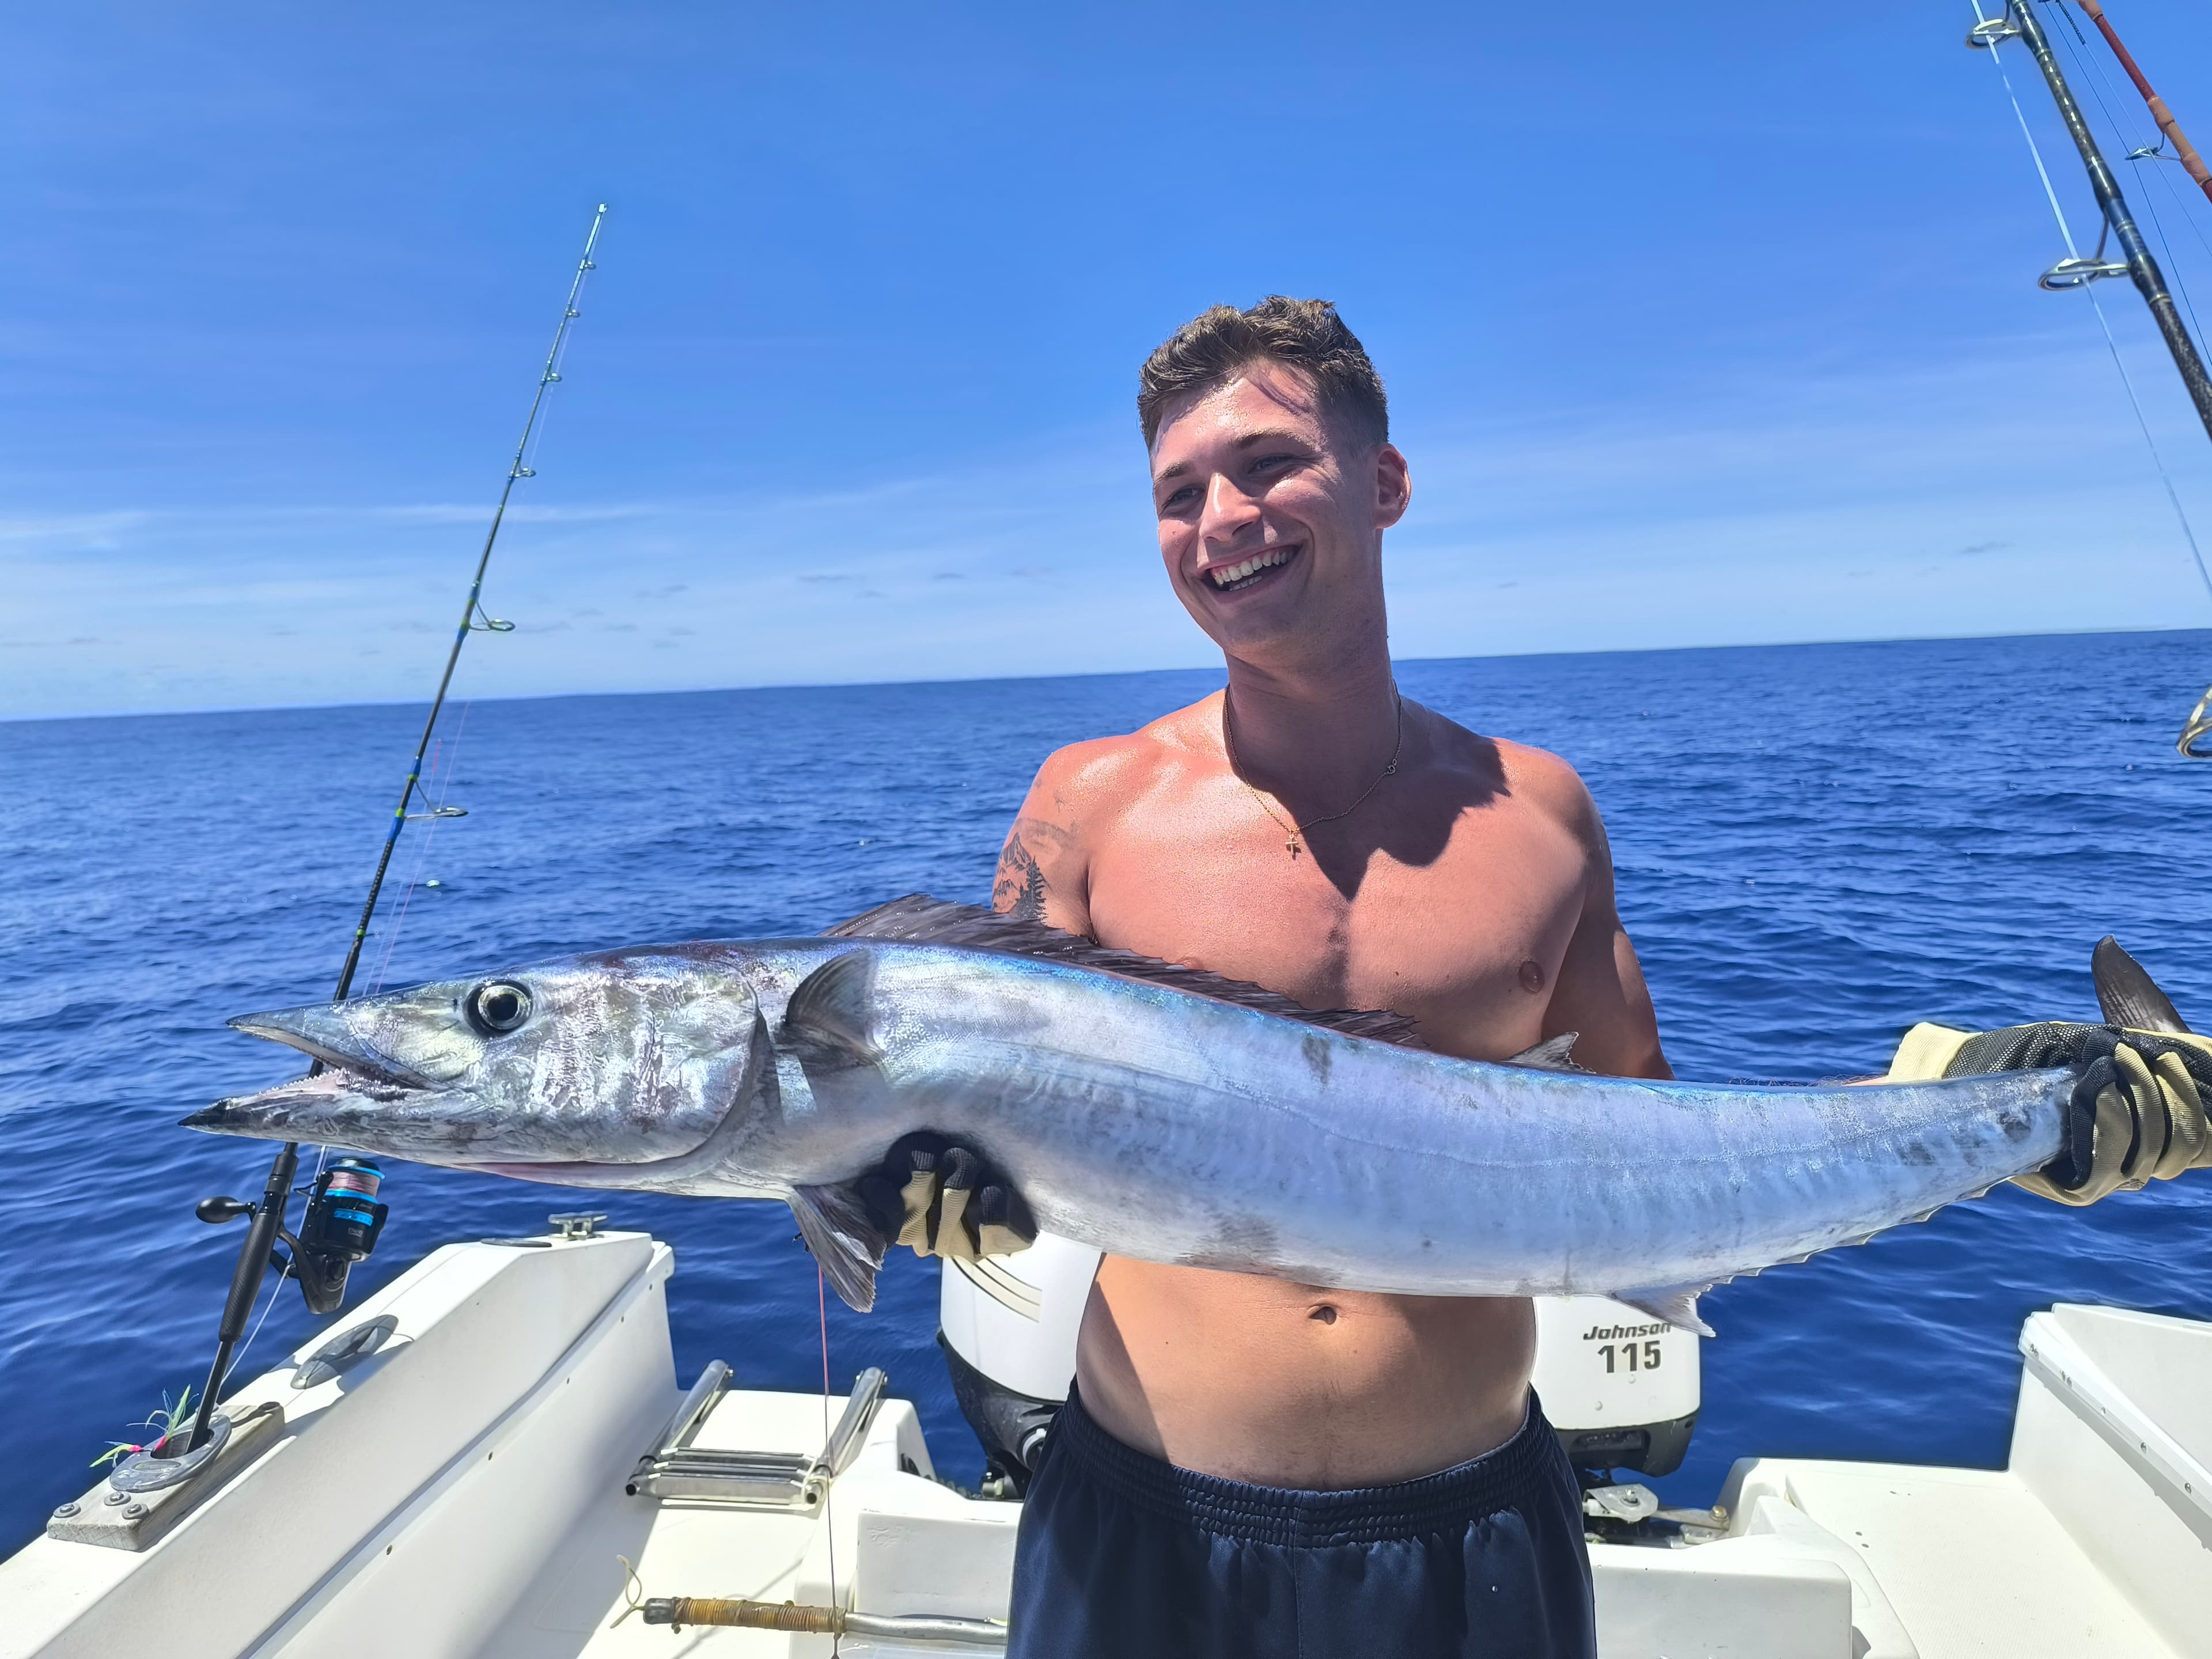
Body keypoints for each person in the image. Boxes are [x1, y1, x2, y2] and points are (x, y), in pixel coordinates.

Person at [869, 296, 2212, 1655]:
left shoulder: (1540, 816)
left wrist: (1981, 1100)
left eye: (1268, 464)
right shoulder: (1085, 807)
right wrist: (926, 1196)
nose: (1222, 516)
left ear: (1385, 483)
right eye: (1178, 492)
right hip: (1143, 1523)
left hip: (1472, 1537)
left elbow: (1658, 1150)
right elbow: (987, 1134)